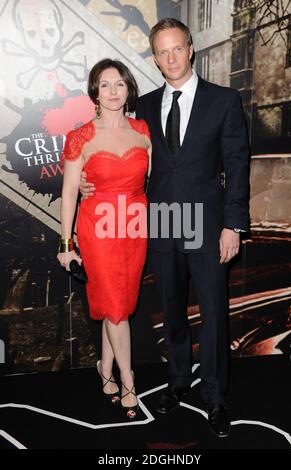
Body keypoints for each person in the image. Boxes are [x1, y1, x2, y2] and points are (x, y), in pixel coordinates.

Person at [80, 18, 250, 437]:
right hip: (161, 220)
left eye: (177, 49)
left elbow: (238, 167)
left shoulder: (224, 101)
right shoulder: (145, 108)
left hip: (206, 222)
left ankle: (213, 395)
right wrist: (89, 182)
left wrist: (233, 225)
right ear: (154, 57)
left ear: (191, 49)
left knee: (212, 312)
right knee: (172, 310)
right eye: (162, 51)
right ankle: (177, 380)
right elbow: (125, 155)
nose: (171, 58)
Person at [57, 59, 151, 419]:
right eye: (105, 84)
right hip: (97, 228)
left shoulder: (143, 131)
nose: (113, 91)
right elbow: (68, 193)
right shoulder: (80, 136)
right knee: (114, 305)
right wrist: (66, 244)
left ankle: (104, 367)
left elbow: (149, 181)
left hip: (134, 227)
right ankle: (128, 379)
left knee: (121, 306)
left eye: (120, 84)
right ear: (94, 91)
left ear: (129, 89)